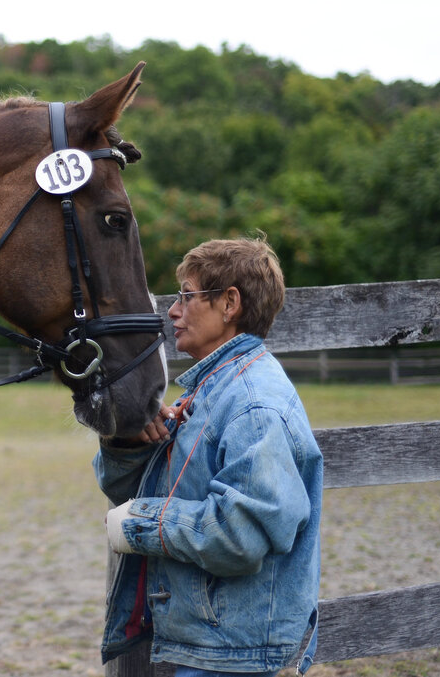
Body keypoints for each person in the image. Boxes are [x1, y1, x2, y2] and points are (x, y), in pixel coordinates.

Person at [94, 236, 323, 676]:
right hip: (212, 642)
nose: (173, 311)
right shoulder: (211, 391)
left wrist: (142, 523)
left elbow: (239, 537)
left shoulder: (254, 406)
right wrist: (128, 443)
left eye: (186, 295)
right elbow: (136, 488)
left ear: (229, 303)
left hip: (232, 654)